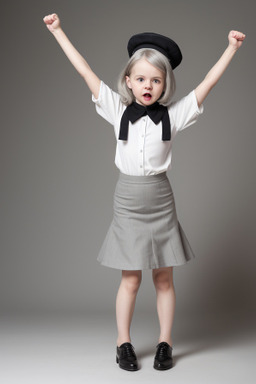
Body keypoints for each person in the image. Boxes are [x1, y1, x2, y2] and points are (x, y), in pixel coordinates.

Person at [43, 13, 245, 371]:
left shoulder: (176, 115)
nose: (147, 85)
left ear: (165, 84)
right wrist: (58, 31)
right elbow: (85, 71)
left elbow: (209, 82)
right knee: (130, 278)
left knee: (164, 277)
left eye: (155, 79)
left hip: (160, 200)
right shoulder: (116, 109)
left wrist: (230, 48)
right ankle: (123, 343)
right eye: (140, 79)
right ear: (129, 81)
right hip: (127, 200)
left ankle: (166, 343)